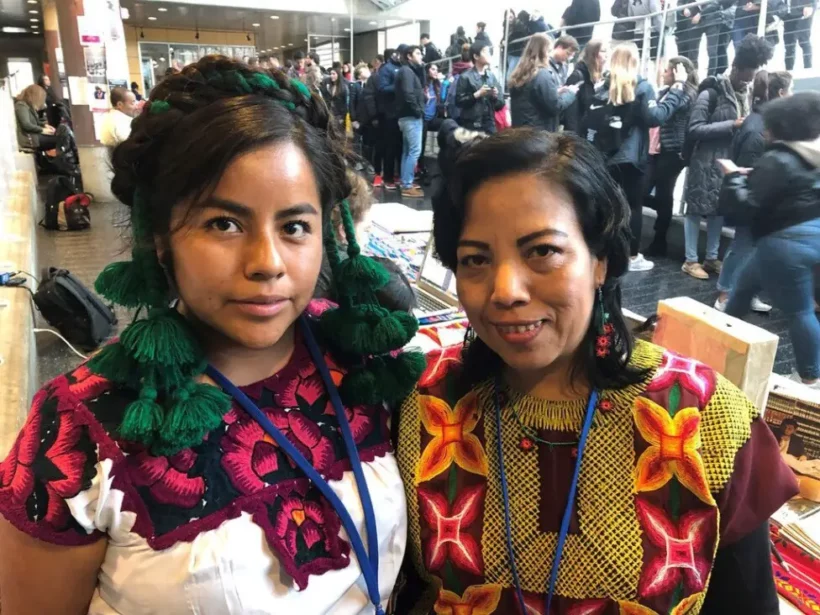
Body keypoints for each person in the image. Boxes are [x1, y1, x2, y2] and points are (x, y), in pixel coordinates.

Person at [0, 56, 423, 615]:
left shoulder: (363, 365)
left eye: (295, 226)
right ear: (160, 238)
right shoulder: (80, 423)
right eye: (224, 224)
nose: (267, 262)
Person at [395, 127, 798, 615]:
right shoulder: (426, 407)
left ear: (600, 261)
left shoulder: (703, 418)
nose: (505, 291)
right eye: (476, 259)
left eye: (542, 251)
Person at [723, 92, 820, 386]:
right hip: (808, 237)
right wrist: (754, 176)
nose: (764, 130)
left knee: (800, 311)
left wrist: (733, 176)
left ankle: (810, 378)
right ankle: (724, 339)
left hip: (782, 243)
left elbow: (746, 207)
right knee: (743, 287)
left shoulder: (776, 158)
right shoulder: (809, 156)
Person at [682, 35, 772, 280]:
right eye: (745, 77)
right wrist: (732, 124)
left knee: (718, 211)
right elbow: (694, 128)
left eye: (751, 78)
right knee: (695, 210)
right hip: (704, 161)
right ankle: (690, 260)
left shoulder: (747, 95)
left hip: (727, 162)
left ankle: (711, 257)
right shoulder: (710, 92)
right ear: (735, 68)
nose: (747, 82)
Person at [597, 43, 689, 272]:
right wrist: (677, 89)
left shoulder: (605, 85)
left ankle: (604, 252)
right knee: (633, 206)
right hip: (631, 157)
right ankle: (631, 256)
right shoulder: (641, 87)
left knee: (609, 204)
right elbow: (655, 117)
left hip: (606, 155)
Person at [714, 70, 792, 311]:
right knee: (742, 246)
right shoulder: (759, 126)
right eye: (790, 89)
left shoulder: (765, 122)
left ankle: (743, 293)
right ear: (781, 93)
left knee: (751, 247)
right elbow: (748, 167)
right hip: (753, 199)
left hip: (761, 198)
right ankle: (725, 294)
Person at [314, 171, 416, 313]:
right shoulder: (345, 268)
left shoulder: (314, 249)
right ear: (344, 230)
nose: (368, 238)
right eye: (366, 230)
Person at [643, 57, 700, 258]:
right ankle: (659, 239)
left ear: (677, 72)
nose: (663, 73)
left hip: (672, 152)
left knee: (663, 194)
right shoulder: (668, 91)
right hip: (657, 150)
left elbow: (674, 108)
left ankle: (659, 242)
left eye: (667, 70)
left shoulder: (687, 93)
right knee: (651, 193)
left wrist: (679, 83)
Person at [509, 34, 578, 133]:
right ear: (544, 51)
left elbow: (531, 97)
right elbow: (555, 106)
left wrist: (556, 91)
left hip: (521, 130)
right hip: (538, 133)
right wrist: (570, 93)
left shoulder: (519, 73)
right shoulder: (542, 74)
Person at [395, 45, 426, 199]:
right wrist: (418, 110)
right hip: (411, 117)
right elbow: (408, 94)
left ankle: (406, 182)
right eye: (418, 53)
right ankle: (407, 185)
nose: (421, 56)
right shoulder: (407, 71)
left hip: (406, 117)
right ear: (409, 56)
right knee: (414, 151)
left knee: (408, 151)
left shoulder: (407, 71)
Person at [456, 41, 504, 134]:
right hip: (472, 125)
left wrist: (495, 96)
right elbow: (458, 102)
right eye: (485, 51)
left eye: (489, 51)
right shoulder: (465, 77)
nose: (489, 54)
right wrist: (477, 94)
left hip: (489, 123)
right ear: (476, 56)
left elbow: (500, 103)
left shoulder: (491, 76)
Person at [564, 40, 606, 134]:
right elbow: (571, 114)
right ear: (593, 54)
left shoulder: (597, 77)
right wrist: (573, 137)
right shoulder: (578, 76)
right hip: (578, 133)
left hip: (589, 131)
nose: (606, 55)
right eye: (603, 51)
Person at [377, 48, 403, 190]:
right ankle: (388, 177)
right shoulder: (387, 68)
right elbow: (382, 88)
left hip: (402, 114)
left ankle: (398, 174)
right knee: (390, 147)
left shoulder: (404, 67)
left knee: (401, 147)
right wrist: (399, 86)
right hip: (390, 114)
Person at [693, 0, 738, 77]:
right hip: (710, 19)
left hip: (716, 20)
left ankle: (711, 76)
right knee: (714, 50)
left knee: (713, 51)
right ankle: (712, 75)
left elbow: (717, 3)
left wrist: (701, 13)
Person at [420, 63, 447, 181]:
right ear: (427, 71)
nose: (436, 71)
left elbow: (442, 99)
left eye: (437, 69)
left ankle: (445, 159)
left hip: (432, 118)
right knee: (421, 145)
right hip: (422, 119)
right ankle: (421, 168)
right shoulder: (422, 85)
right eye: (433, 69)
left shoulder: (437, 85)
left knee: (447, 124)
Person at [14, 84, 56, 152]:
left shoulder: (27, 106)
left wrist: (44, 125)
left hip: (34, 136)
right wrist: (42, 130)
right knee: (59, 139)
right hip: (29, 139)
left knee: (59, 138)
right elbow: (26, 125)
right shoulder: (21, 106)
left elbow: (34, 121)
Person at [366, 55, 386, 188]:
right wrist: (373, 116)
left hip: (386, 117)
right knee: (379, 147)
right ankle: (378, 172)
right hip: (378, 117)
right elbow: (369, 98)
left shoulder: (382, 77)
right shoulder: (374, 78)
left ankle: (386, 173)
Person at [350, 63, 375, 164]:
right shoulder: (355, 86)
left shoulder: (371, 84)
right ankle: (358, 162)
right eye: (364, 70)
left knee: (369, 142)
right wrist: (353, 119)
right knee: (358, 142)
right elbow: (351, 103)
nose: (367, 71)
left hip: (369, 119)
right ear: (359, 75)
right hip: (359, 119)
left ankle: (368, 162)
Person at [783, 0, 815, 70]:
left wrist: (811, 5)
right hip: (788, 12)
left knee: (804, 41)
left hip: (804, 10)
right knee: (789, 45)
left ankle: (808, 70)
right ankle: (789, 71)